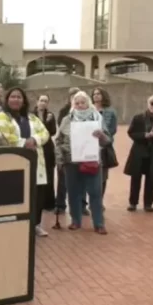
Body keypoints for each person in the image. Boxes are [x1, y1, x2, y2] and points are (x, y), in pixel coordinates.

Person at [0, 88, 50, 237]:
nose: (16, 99)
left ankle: (35, 224)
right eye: (13, 96)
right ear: (7, 99)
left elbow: (45, 133)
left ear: (23, 100)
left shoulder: (32, 117)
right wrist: (25, 142)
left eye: (19, 97)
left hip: (36, 161)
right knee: (16, 195)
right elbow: (4, 136)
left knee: (37, 194)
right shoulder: (1, 117)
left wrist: (35, 140)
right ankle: (15, 225)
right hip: (13, 161)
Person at [54, 91, 112, 235]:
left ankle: (99, 223)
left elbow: (107, 141)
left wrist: (102, 136)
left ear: (88, 103)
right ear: (73, 104)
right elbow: (59, 141)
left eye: (83, 102)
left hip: (92, 161)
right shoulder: (67, 119)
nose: (80, 105)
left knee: (95, 192)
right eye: (77, 103)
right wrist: (60, 160)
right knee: (73, 192)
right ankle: (76, 221)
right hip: (71, 162)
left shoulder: (97, 118)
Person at [124, 95, 153, 212]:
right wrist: (145, 135)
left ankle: (148, 204)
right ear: (148, 104)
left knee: (150, 179)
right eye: (152, 103)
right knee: (135, 178)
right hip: (138, 151)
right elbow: (131, 132)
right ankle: (133, 203)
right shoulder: (138, 118)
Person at [56, 87, 89, 217]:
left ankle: (82, 205)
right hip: (68, 153)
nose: (79, 103)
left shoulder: (90, 115)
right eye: (74, 98)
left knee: (83, 182)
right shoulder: (64, 113)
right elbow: (61, 133)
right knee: (63, 181)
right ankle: (60, 204)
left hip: (83, 154)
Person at [92, 87, 118, 205]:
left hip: (104, 148)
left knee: (103, 176)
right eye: (94, 94)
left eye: (99, 94)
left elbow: (112, 130)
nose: (96, 96)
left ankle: (99, 202)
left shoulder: (111, 112)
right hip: (89, 146)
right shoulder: (89, 110)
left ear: (103, 96)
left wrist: (104, 139)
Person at [34, 94, 57, 213]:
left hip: (47, 148)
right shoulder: (31, 115)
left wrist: (48, 122)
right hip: (35, 147)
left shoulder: (50, 115)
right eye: (41, 100)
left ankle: (48, 202)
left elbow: (53, 132)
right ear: (37, 101)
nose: (43, 103)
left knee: (49, 174)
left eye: (45, 101)